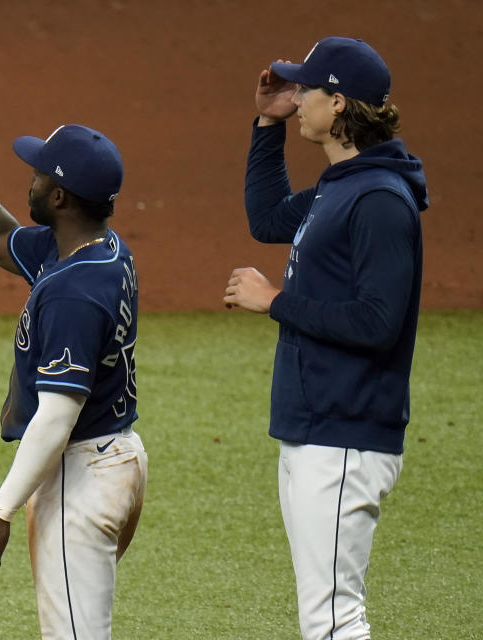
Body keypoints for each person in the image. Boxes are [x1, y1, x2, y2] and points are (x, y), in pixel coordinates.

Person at [223, 37, 428, 639]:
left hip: (346, 434)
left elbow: (377, 322)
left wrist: (275, 302)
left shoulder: (380, 201)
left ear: (337, 104)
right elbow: (266, 220)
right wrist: (268, 123)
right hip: (317, 428)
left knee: (334, 621)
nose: (296, 94)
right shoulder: (345, 184)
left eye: (304, 89)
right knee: (325, 616)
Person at [0, 72, 148, 639]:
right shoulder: (97, 248)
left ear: (58, 197)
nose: (27, 183)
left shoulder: (74, 291)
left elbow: (56, 415)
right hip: (116, 455)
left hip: (83, 474)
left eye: (36, 176)